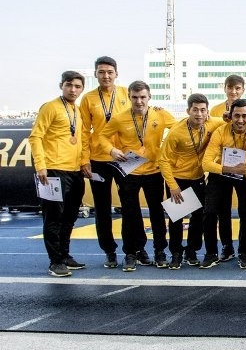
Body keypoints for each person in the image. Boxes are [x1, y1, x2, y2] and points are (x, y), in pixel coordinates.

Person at [100, 81, 177, 271]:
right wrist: (111, 150)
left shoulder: (160, 114)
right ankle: (130, 253)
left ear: (149, 97)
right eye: (134, 97)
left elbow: (179, 129)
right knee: (130, 213)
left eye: (143, 97)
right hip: (130, 171)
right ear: (129, 98)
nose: (139, 101)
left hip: (154, 171)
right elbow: (101, 136)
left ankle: (160, 251)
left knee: (157, 213)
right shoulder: (119, 118)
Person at [29, 71, 86, 277]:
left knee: (70, 217)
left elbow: (79, 140)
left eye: (77, 86)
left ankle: (64, 254)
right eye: (69, 85)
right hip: (53, 170)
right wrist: (40, 165)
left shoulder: (77, 110)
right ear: (61, 85)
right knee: (53, 217)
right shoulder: (50, 107)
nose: (73, 90)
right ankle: (55, 261)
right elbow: (36, 137)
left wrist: (83, 163)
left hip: (74, 171)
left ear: (82, 89)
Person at [158, 93, 224, 269]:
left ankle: (191, 251)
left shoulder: (213, 123)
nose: (199, 114)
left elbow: (229, 121)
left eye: (203, 110)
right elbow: (163, 160)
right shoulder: (176, 132)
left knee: (198, 217)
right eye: (195, 110)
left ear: (207, 112)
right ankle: (176, 253)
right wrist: (173, 186)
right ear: (188, 111)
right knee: (177, 218)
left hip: (198, 178)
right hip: (178, 180)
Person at [78, 56, 129, 268]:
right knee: (102, 208)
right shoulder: (88, 99)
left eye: (109, 72)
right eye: (101, 72)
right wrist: (84, 160)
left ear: (116, 74)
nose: (106, 76)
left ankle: (134, 249)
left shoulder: (127, 93)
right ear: (96, 74)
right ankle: (109, 251)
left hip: (124, 159)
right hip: (98, 159)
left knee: (130, 206)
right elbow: (83, 131)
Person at [200, 98, 246, 269]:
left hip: (245, 173)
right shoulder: (220, 131)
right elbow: (206, 163)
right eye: (236, 116)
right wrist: (229, 169)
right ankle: (214, 252)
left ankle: (245, 251)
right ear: (230, 116)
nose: (240, 120)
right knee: (211, 211)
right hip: (222, 171)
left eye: (244, 116)